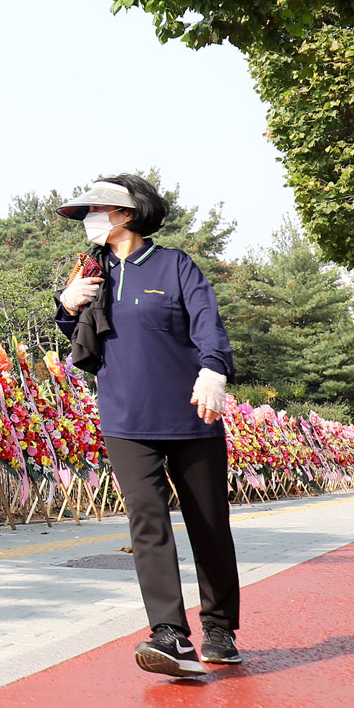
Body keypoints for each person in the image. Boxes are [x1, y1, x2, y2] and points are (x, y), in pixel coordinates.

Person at [54, 174, 240, 678]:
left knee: (208, 523)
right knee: (147, 523)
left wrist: (213, 369)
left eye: (97, 209)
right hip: (123, 417)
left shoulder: (174, 265)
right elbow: (82, 347)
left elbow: (207, 322)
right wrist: (67, 306)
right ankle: (169, 635)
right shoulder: (89, 273)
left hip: (190, 412)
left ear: (126, 214)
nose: (89, 219)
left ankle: (220, 627)